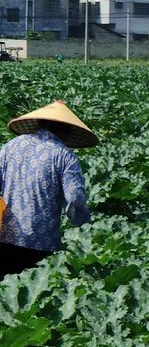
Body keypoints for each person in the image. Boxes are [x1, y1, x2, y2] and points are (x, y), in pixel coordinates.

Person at [0, 100, 97, 280]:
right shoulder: (64, 155)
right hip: (41, 242)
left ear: (39, 123)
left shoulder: (9, 147)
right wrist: (82, 226)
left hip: (5, 236)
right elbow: (75, 198)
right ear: (66, 130)